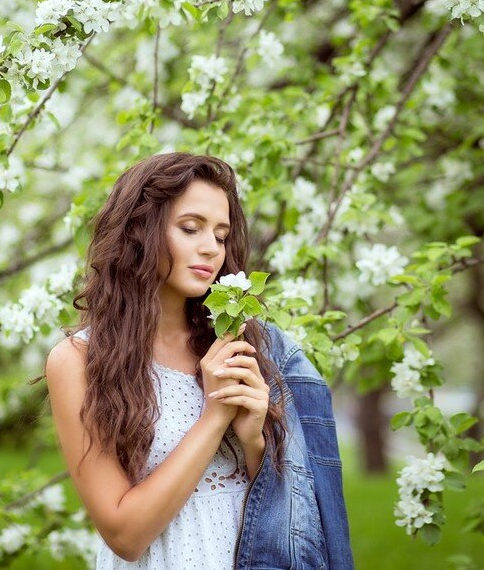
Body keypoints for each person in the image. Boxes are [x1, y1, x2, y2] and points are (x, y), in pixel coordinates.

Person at [44, 151, 354, 569]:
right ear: (140, 232)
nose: (211, 249)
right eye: (191, 228)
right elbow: (124, 535)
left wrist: (254, 441)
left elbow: (290, 507)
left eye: (221, 235)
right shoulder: (79, 360)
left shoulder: (247, 345)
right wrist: (214, 417)